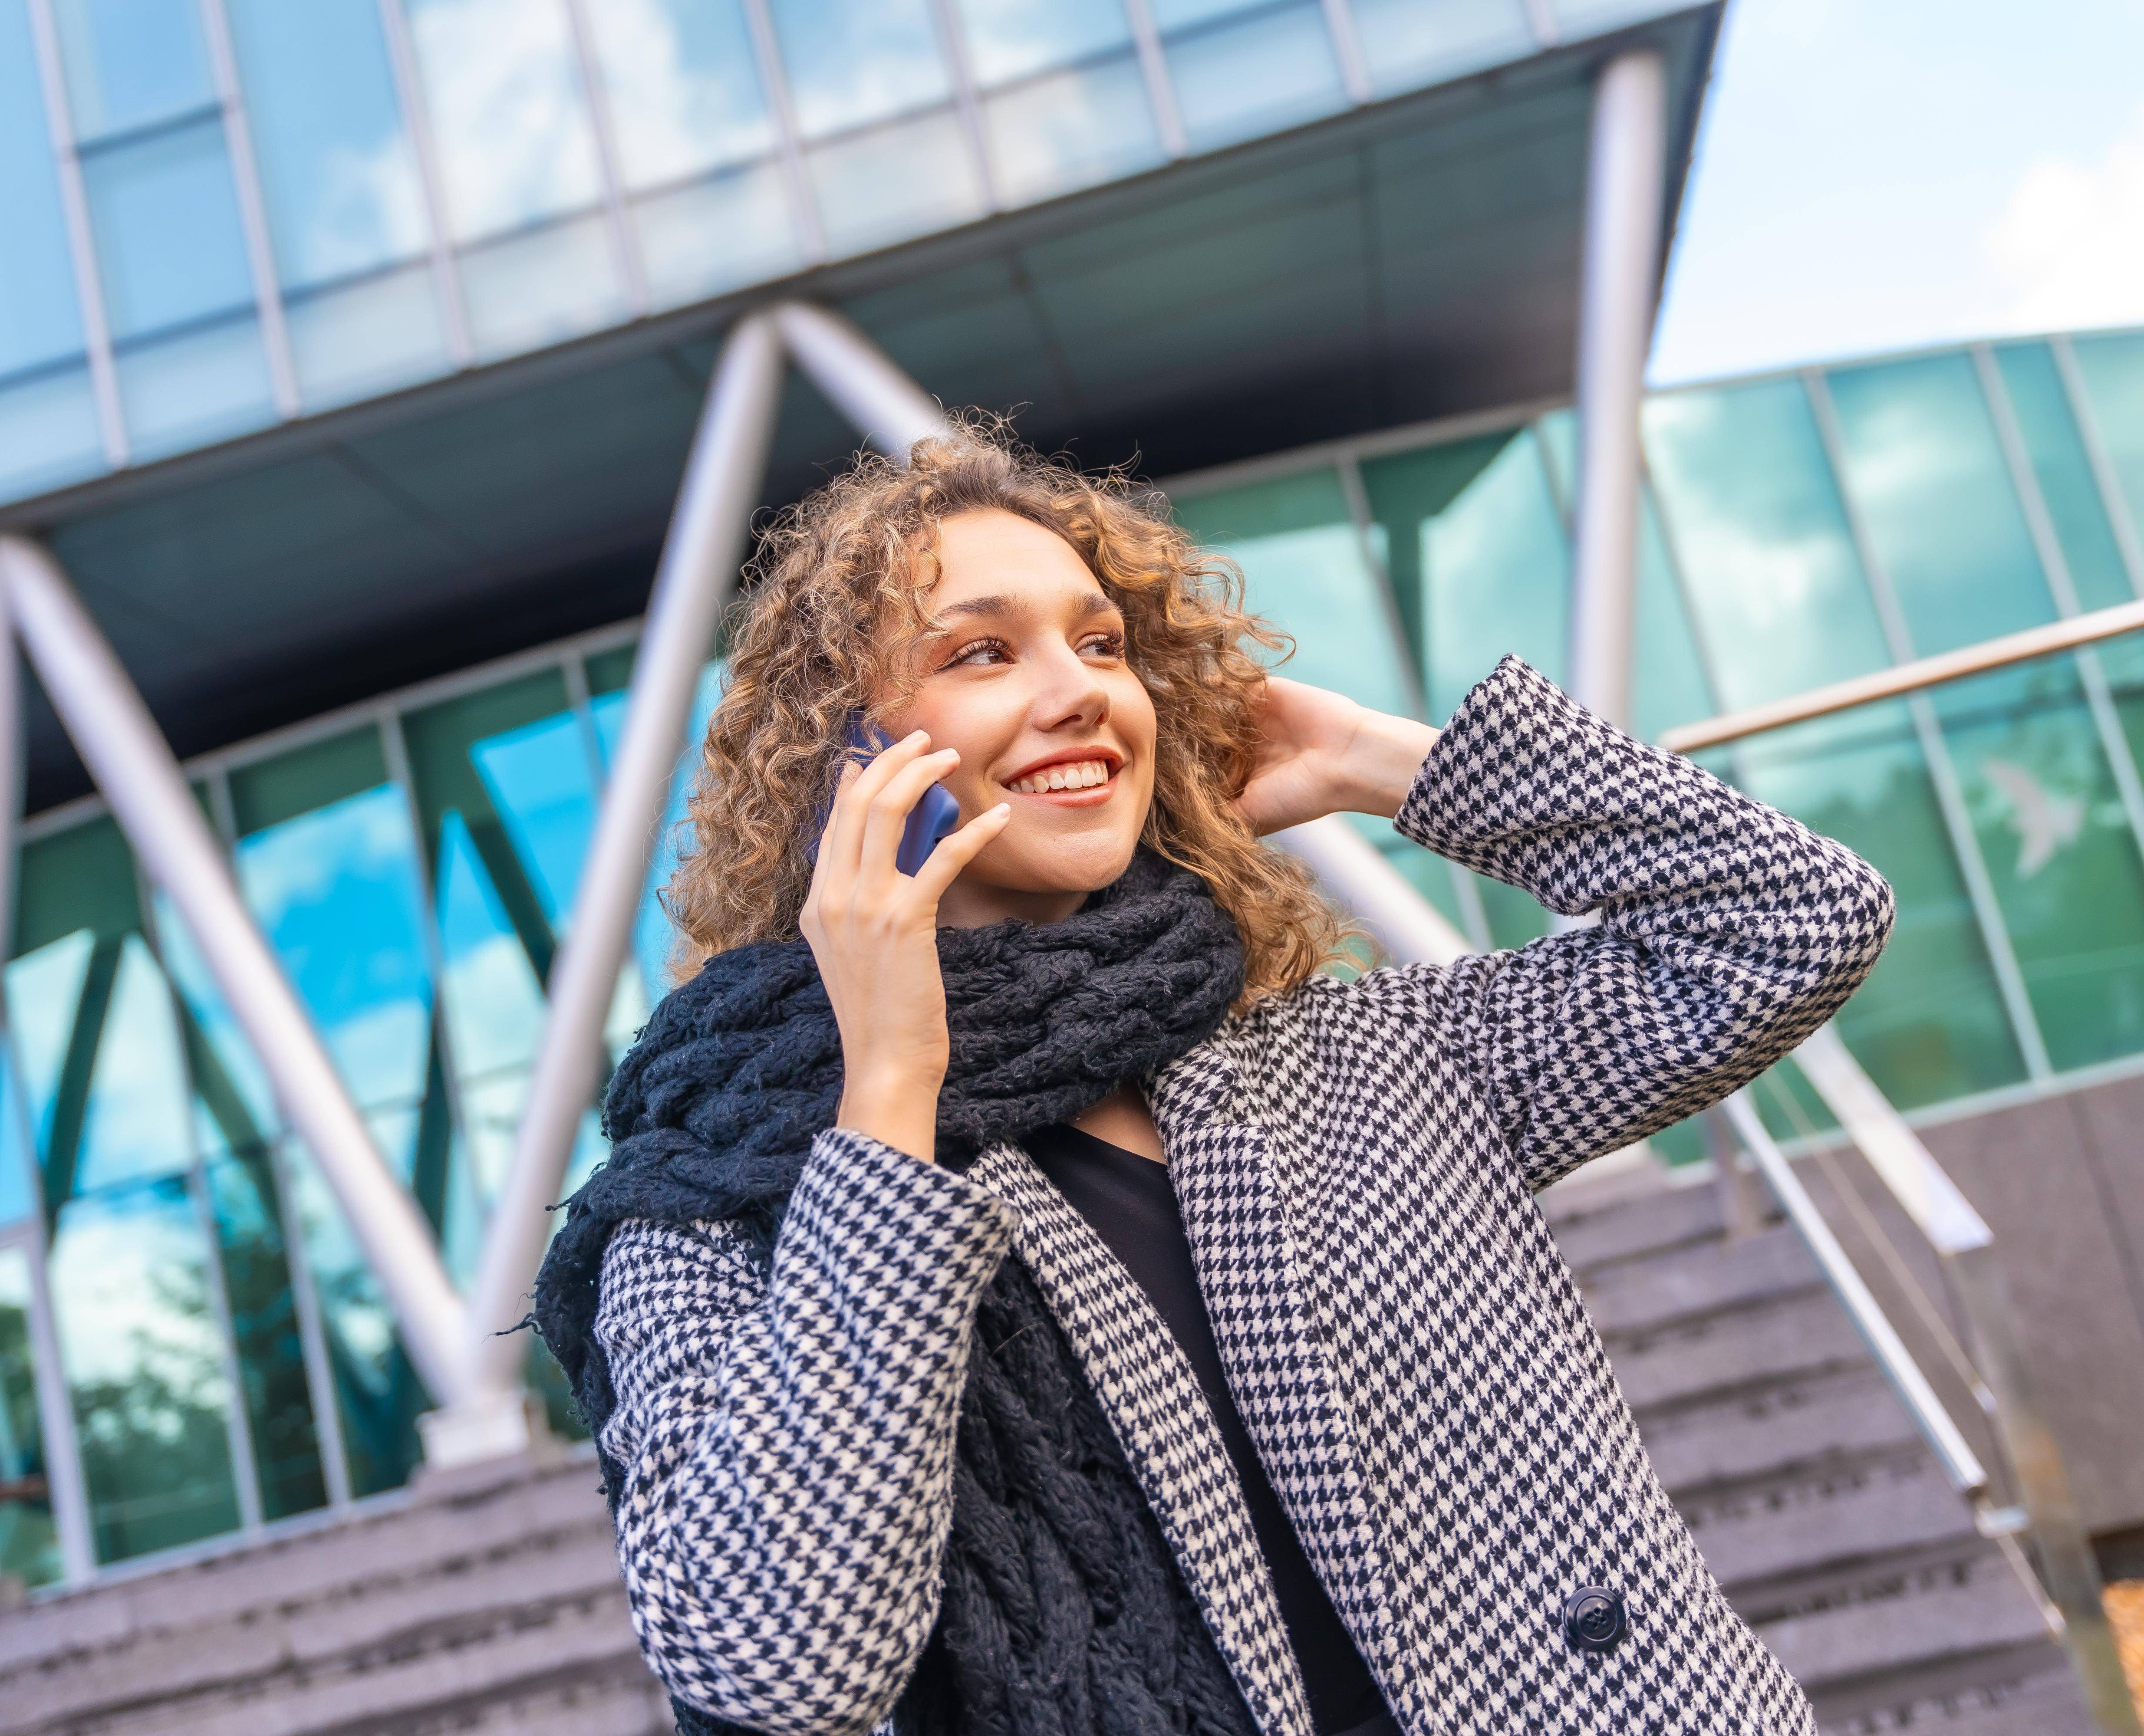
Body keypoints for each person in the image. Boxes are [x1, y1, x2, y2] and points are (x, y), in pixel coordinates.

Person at [530, 424, 1895, 1736]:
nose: (1079, 690)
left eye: (1103, 644)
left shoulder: (1360, 1061)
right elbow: (777, 1668)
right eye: (982, 651)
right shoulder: (715, 1203)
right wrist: (887, 1090)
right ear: (848, 761)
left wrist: (1380, 762)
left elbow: (1794, 923)